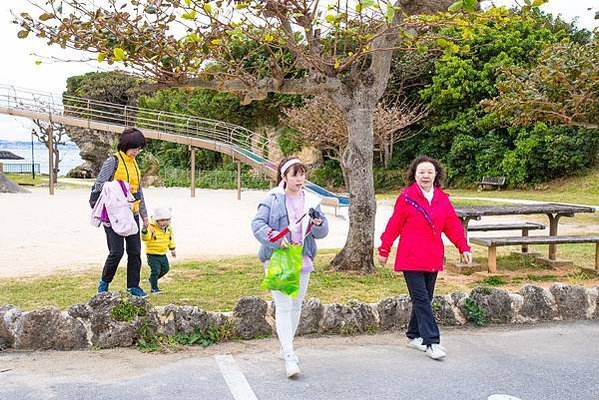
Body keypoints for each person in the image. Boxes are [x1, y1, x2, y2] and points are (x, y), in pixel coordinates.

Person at [378, 156, 472, 360]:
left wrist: (463, 247)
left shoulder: (442, 199)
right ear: (415, 175)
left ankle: (414, 335)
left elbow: (452, 226)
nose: (425, 176)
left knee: (425, 299)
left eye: (429, 172)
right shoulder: (406, 198)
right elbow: (394, 225)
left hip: (432, 257)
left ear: (436, 174)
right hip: (410, 257)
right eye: (421, 172)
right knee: (421, 299)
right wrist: (384, 249)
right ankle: (432, 342)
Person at [251, 157, 329, 378]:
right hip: (280, 257)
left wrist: (318, 224)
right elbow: (257, 225)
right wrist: (276, 239)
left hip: (303, 256)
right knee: (284, 306)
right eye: (294, 174)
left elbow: (322, 233)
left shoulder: (313, 200)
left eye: (302, 174)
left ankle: (287, 347)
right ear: (284, 177)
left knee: (296, 306)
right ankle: (289, 355)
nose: (299, 179)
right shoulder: (272, 199)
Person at [91, 127, 149, 298]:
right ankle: (104, 283)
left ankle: (133, 286)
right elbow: (99, 184)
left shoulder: (135, 164)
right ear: (125, 145)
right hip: (114, 214)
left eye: (139, 149)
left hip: (133, 213)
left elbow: (139, 191)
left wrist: (145, 215)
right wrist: (120, 189)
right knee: (116, 252)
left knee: (135, 252)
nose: (137, 152)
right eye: (134, 148)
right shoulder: (113, 161)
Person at [142, 207, 176, 294]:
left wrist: (172, 249)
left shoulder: (168, 228)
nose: (165, 222)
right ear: (157, 220)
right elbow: (145, 238)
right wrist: (145, 230)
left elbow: (171, 238)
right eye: (162, 220)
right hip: (152, 254)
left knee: (165, 269)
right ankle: (154, 288)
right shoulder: (151, 228)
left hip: (162, 253)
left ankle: (152, 280)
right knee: (155, 270)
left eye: (167, 220)